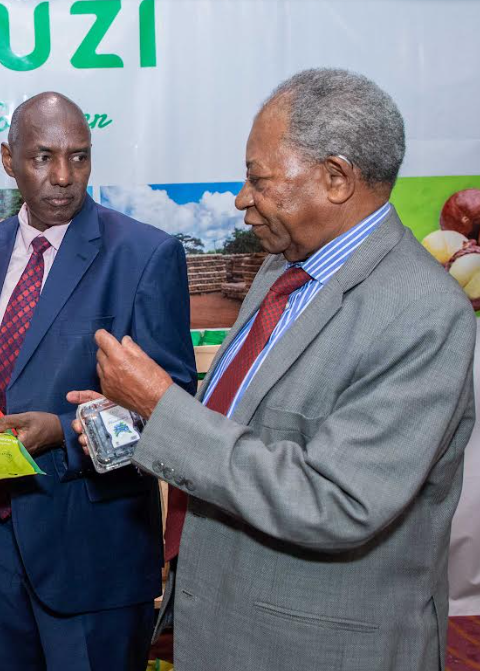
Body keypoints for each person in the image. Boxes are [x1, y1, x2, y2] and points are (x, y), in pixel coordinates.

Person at [71, 68, 476, 670]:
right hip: (227, 626)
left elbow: (336, 500)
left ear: (336, 178)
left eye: (258, 179)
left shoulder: (420, 311)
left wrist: (163, 408)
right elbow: (246, 422)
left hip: (319, 648)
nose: (240, 199)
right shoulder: (280, 271)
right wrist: (138, 418)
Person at [0, 92, 196, 669]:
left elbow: (173, 407)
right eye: (43, 158)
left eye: (79, 157)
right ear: (9, 159)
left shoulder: (143, 254)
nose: (64, 177)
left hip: (92, 543)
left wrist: (61, 431)